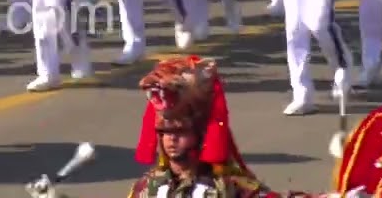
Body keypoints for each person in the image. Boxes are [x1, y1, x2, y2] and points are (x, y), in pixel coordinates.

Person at [130, 55, 345, 197]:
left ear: (199, 134)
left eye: (180, 132)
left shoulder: (229, 187)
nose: (171, 139)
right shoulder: (147, 187)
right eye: (164, 133)